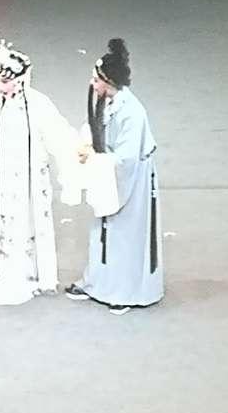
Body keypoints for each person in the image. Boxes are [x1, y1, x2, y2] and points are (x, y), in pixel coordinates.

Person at [0, 40, 76, 305]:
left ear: (20, 80)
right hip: (1, 177)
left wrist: (74, 150)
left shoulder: (38, 104)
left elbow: (57, 132)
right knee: (2, 223)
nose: (1, 87)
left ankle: (29, 274)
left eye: (6, 81)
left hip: (29, 180)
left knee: (26, 222)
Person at [63, 38, 163, 311]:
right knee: (103, 232)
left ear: (108, 81)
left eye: (96, 80)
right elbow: (95, 128)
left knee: (126, 236)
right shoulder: (106, 102)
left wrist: (95, 158)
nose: (92, 84)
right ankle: (97, 282)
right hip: (108, 174)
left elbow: (126, 158)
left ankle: (125, 292)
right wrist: (87, 145)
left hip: (131, 180)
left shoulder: (132, 113)